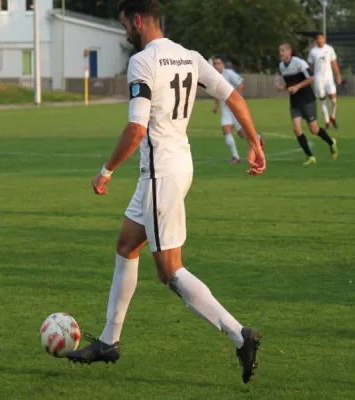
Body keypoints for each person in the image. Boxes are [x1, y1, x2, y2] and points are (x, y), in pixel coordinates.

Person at [66, 0, 266, 384]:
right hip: (173, 169)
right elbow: (234, 98)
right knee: (127, 245)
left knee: (169, 271)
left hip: (161, 174)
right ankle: (109, 340)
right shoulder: (189, 56)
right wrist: (255, 142)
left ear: (138, 21)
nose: (125, 31)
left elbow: (137, 128)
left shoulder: (143, 61)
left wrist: (106, 170)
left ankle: (239, 335)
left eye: (125, 24)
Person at [276, 42, 338, 166]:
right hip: (295, 102)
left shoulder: (299, 63)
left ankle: (331, 142)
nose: (280, 53)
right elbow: (290, 84)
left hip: (307, 99)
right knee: (296, 128)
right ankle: (310, 156)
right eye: (280, 51)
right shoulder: (281, 66)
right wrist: (283, 87)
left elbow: (311, 78)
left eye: (283, 50)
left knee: (314, 129)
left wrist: (297, 87)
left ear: (289, 52)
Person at [212, 56, 264, 163]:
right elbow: (215, 92)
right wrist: (216, 106)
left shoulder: (229, 74)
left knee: (241, 133)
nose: (217, 66)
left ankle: (258, 138)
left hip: (235, 107)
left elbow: (240, 85)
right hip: (225, 108)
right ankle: (236, 157)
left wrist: (236, 97)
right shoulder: (213, 77)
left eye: (219, 63)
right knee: (226, 130)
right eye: (215, 64)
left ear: (223, 65)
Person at [307, 33, 342, 129]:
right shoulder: (313, 51)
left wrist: (338, 75)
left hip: (329, 78)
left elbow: (333, 63)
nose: (320, 40)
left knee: (333, 99)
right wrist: (310, 77)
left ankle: (333, 116)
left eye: (321, 38)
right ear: (316, 40)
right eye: (318, 38)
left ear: (324, 39)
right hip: (318, 78)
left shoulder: (329, 49)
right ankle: (327, 122)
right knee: (322, 100)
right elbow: (311, 66)